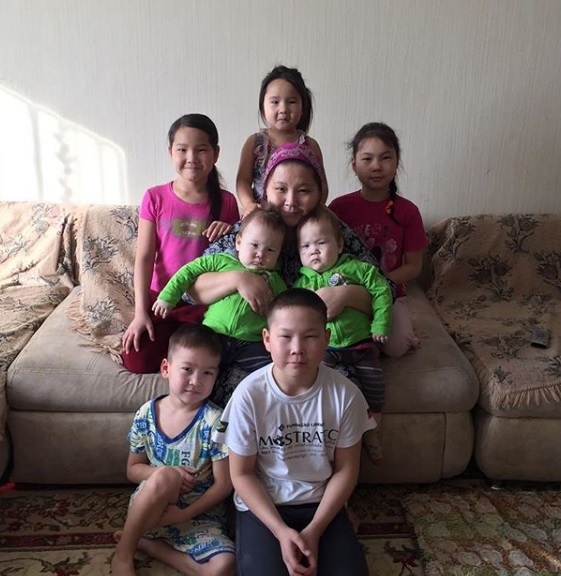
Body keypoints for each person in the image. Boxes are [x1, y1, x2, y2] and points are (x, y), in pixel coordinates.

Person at [187, 141, 393, 406]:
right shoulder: (250, 229)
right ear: (265, 191)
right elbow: (191, 290)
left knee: (337, 387)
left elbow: (384, 288)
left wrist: (346, 295)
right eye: (280, 189)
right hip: (250, 342)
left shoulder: (333, 230)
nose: (291, 201)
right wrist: (238, 279)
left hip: (323, 346)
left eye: (304, 190)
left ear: (319, 192)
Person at [216, 289, 373, 576]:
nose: (297, 348)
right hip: (265, 505)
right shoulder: (248, 395)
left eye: (310, 336)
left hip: (321, 503)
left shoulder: (346, 395)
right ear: (267, 339)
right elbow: (241, 474)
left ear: (326, 338)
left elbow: (346, 470)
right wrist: (280, 531)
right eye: (286, 337)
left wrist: (315, 530)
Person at [112, 325, 235, 576]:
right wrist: (164, 474)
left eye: (207, 373)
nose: (196, 381)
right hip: (150, 510)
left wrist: (183, 514)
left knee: (224, 567)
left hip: (198, 515)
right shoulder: (146, 414)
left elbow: (224, 485)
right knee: (167, 475)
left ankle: (149, 545)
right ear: (166, 368)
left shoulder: (216, 422)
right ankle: (124, 553)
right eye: (187, 369)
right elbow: (133, 469)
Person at [121, 114, 240, 374]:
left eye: (201, 150)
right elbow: (144, 258)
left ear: (216, 153)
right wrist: (140, 313)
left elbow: (235, 260)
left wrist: (230, 232)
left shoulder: (227, 202)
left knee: (215, 358)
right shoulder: (155, 197)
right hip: (162, 300)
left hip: (203, 302)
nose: (191, 158)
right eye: (182, 150)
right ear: (170, 153)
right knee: (136, 359)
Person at [294, 205, 393, 465]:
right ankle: (321, 438)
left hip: (360, 345)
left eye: (321, 243)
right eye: (305, 246)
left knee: (375, 384)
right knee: (319, 388)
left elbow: (382, 291)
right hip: (326, 350)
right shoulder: (301, 283)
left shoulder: (356, 268)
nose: (313, 250)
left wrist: (381, 325)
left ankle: (373, 430)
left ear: (339, 245)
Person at [330, 122, 428, 357]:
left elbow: (414, 266)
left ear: (397, 162)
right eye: (367, 159)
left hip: (389, 292)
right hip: (349, 291)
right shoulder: (338, 208)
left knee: (396, 348)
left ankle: (405, 332)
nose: (376, 166)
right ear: (354, 165)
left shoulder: (408, 211)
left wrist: (378, 283)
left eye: (385, 158)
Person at [153, 207, 287, 374]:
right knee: (194, 363)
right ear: (238, 242)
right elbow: (188, 271)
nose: (260, 254)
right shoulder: (221, 261)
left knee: (269, 374)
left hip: (251, 341)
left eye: (270, 250)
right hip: (213, 333)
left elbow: (284, 312)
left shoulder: (275, 281)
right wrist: (168, 297)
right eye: (254, 245)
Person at [236, 64, 328, 216]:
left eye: (291, 102)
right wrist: (248, 205)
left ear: (303, 107)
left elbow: (322, 184)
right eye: (275, 102)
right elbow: (243, 181)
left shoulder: (310, 145)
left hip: (300, 216)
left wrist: (315, 209)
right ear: (263, 106)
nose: (283, 109)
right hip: (262, 218)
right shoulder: (254, 143)